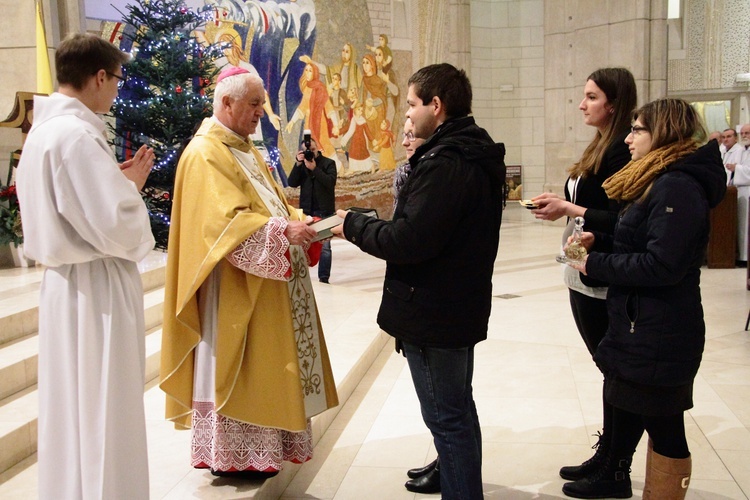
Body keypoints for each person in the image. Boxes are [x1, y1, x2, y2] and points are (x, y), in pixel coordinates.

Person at [332, 63, 506, 499]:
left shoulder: (445, 163)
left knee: (447, 420)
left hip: (434, 311)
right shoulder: (471, 151)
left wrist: (351, 225)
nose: (407, 114)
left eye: (411, 104)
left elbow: (409, 239)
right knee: (458, 412)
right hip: (455, 304)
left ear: (436, 105)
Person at [160, 66, 339, 478]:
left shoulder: (242, 146)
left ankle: (263, 450)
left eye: (262, 103)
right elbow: (223, 224)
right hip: (233, 290)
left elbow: (269, 204)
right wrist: (281, 231)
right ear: (227, 102)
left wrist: (300, 220)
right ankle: (233, 457)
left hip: (265, 283)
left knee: (267, 365)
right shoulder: (206, 152)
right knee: (241, 368)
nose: (262, 111)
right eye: (255, 103)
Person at [15, 33, 155, 499]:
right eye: (116, 79)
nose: (116, 88)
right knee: (104, 407)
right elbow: (117, 226)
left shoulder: (44, 134)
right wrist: (131, 187)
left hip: (63, 286)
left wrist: (113, 185)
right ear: (99, 76)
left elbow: (72, 207)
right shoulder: (77, 136)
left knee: (73, 407)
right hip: (96, 290)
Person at [563, 98, 726, 499]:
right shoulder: (659, 178)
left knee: (666, 425)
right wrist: (598, 239)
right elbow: (640, 235)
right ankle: (614, 473)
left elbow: (661, 265)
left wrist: (595, 264)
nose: (629, 137)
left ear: (663, 133)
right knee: (640, 406)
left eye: (637, 130)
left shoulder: (677, 185)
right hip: (644, 323)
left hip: (661, 328)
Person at [530, 67, 637, 490]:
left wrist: (567, 208)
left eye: (591, 97)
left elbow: (625, 220)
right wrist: (560, 204)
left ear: (613, 103)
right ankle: (606, 454)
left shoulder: (620, 152)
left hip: (603, 271)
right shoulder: (602, 144)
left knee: (615, 370)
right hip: (581, 266)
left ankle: (616, 467)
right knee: (607, 369)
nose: (581, 103)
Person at [287, 136, 337, 283]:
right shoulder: (301, 165)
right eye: (307, 151)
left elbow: (330, 183)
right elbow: (292, 183)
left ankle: (324, 278)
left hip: (324, 210)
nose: (310, 153)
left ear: (318, 148)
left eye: (313, 150)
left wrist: (314, 168)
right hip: (307, 211)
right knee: (302, 244)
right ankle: (303, 275)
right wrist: (298, 164)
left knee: (325, 246)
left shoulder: (329, 163)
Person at [724, 123, 750, 263]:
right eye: (743, 133)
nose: (745, 136)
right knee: (741, 227)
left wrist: (737, 169)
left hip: (748, 190)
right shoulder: (743, 151)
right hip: (739, 191)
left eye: (748, 133)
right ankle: (742, 256)